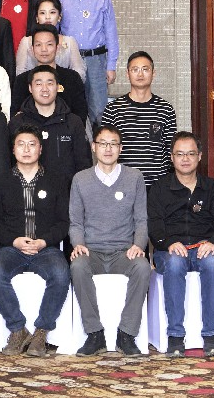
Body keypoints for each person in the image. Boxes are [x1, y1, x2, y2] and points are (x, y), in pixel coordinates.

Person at [67, 125, 153, 356]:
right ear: (93, 147)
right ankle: (95, 333)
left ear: (120, 148)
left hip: (123, 252)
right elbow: (76, 222)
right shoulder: (81, 179)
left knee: (142, 268)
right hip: (92, 251)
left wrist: (138, 245)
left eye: (113, 144)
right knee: (77, 266)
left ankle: (127, 334)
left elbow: (141, 219)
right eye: (103, 143)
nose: (108, 149)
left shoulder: (134, 177)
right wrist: (78, 244)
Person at [0, 126, 72, 357]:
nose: (26, 149)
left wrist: (43, 241)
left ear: (40, 149)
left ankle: (41, 332)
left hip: (46, 248)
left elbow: (64, 222)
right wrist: (13, 241)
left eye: (32, 144)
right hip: (12, 248)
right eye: (21, 144)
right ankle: (17, 329)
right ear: (13, 150)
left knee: (61, 273)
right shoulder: (0, 181)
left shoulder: (56, 180)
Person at [150, 132, 214, 357]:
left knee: (213, 263)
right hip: (170, 250)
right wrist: (168, 243)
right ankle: (175, 336)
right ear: (171, 157)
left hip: (202, 248)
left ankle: (211, 335)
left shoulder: (212, 188)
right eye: (180, 154)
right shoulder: (160, 188)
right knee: (175, 263)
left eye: (191, 154)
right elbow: (153, 224)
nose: (185, 159)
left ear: (200, 156)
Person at [52, 0, 118, 120]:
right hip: (68, 59)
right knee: (69, 108)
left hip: (96, 59)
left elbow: (111, 32)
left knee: (99, 111)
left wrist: (111, 66)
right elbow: (52, 33)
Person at [104, 53, 177, 187]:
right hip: (122, 184)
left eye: (145, 69)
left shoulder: (165, 109)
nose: (140, 74)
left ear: (153, 73)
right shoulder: (113, 109)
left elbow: (171, 149)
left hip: (158, 186)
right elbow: (105, 149)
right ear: (127, 74)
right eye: (135, 69)